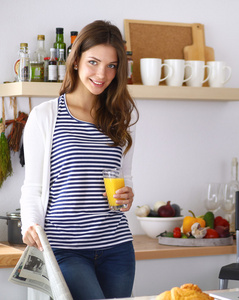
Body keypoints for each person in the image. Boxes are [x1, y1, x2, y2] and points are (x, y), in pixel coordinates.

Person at [20, 20, 139, 299]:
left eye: (111, 66)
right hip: (65, 249)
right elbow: (33, 188)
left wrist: (127, 195)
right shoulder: (46, 116)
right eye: (94, 62)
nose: (102, 74)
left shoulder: (123, 118)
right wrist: (29, 225)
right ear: (75, 61)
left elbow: (126, 178)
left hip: (117, 247)